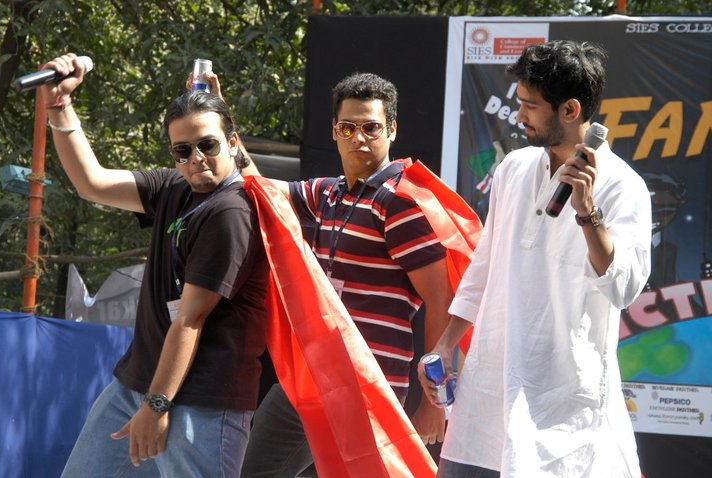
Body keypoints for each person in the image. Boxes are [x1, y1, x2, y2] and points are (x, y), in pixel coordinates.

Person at [419, 40, 652, 477]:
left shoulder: (623, 186)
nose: (519, 115)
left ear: (570, 110)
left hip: (564, 408)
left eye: (530, 106)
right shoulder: (513, 168)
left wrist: (587, 212)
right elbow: (485, 265)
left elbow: (623, 288)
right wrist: (446, 344)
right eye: (519, 103)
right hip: (487, 393)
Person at [42, 53, 269, 477]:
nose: (195, 158)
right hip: (137, 386)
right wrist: (59, 105)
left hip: (201, 402)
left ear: (233, 142)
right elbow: (91, 182)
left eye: (208, 144)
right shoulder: (173, 186)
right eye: (182, 150)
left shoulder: (232, 210)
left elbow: (190, 319)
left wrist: (157, 404)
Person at [240, 72, 455, 476]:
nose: (359, 138)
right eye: (348, 128)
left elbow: (441, 298)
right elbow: (259, 187)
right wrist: (223, 128)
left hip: (368, 384)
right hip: (315, 376)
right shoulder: (329, 192)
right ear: (334, 131)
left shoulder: (398, 202)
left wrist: (434, 402)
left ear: (392, 130)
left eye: (371, 127)